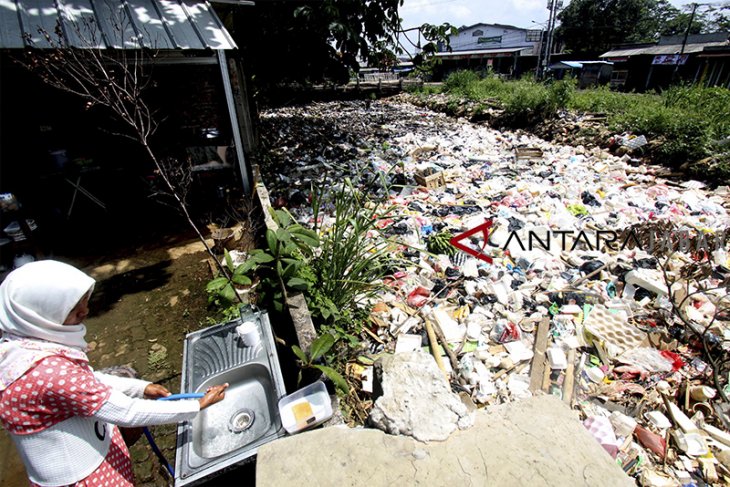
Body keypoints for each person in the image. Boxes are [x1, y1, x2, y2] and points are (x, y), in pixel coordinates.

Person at [0, 260, 228, 486]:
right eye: (73, 310)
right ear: (40, 313)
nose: (85, 311)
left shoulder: (24, 348)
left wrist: (140, 387)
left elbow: (86, 381)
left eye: (84, 302)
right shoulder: (49, 374)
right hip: (86, 478)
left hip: (93, 455)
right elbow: (127, 412)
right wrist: (195, 406)